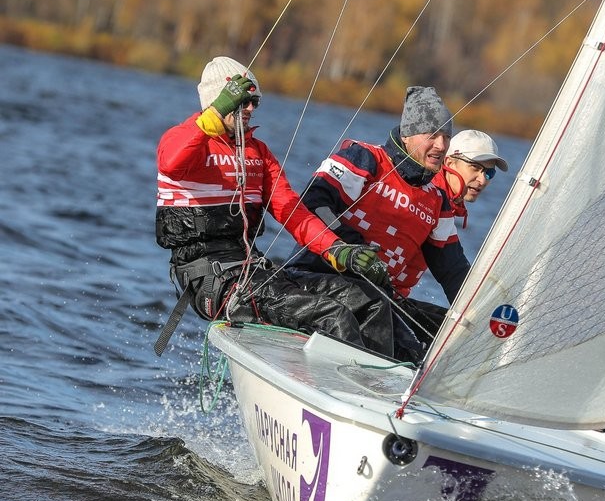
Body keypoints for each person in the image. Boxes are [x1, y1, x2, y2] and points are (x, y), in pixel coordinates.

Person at [155, 56, 423, 362]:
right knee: (334, 316)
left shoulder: (259, 154)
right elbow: (170, 162)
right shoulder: (183, 139)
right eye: (242, 101)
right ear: (219, 100)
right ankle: (343, 397)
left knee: (368, 301)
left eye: (254, 101)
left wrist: (338, 251)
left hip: (253, 272)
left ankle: (385, 390)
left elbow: (293, 213)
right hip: (212, 284)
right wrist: (214, 114)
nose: (250, 109)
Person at [293, 86, 470, 341]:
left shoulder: (437, 200)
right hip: (316, 277)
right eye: (432, 134)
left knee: (448, 334)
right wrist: (349, 247)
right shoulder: (365, 158)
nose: (441, 146)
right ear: (408, 135)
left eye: (447, 137)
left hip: (378, 297)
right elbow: (313, 202)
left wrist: (486, 313)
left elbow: (453, 270)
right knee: (379, 315)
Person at [436, 129, 509, 228]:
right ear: (450, 163)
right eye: (475, 167)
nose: (482, 180)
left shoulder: (446, 206)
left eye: (489, 173)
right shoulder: (427, 201)